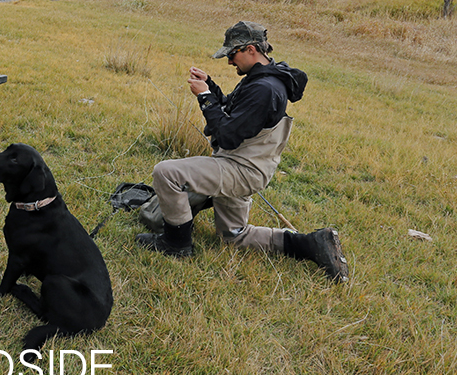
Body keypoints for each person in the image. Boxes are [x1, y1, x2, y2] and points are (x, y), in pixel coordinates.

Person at [136, 21, 348, 282]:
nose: (229, 62)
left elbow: (226, 134)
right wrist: (211, 87)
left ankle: (176, 245)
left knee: (166, 173)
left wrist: (204, 98)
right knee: (233, 237)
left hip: (240, 170)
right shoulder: (264, 78)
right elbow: (235, 114)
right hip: (247, 168)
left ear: (250, 49)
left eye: (231, 54)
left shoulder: (264, 89)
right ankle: (310, 244)